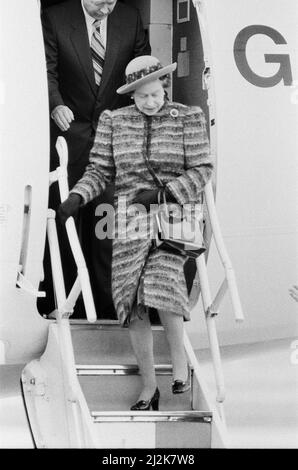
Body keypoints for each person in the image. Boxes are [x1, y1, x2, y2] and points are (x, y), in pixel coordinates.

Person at [59, 55, 213, 410]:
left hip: (173, 215)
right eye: (143, 96)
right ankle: (148, 386)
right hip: (130, 221)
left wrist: (164, 194)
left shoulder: (188, 118)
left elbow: (203, 168)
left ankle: (179, 370)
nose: (151, 102)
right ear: (131, 95)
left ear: (164, 88)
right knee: (132, 301)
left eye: (156, 94)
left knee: (161, 283)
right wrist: (75, 197)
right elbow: (99, 170)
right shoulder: (114, 122)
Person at [39, 0, 151, 318]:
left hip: (114, 140)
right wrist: (55, 104)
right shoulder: (55, 19)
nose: (107, 8)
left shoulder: (130, 19)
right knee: (64, 222)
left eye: (112, 1)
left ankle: (107, 309)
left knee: (108, 225)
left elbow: (143, 72)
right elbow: (45, 70)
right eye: (101, 2)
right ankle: (60, 304)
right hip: (69, 137)